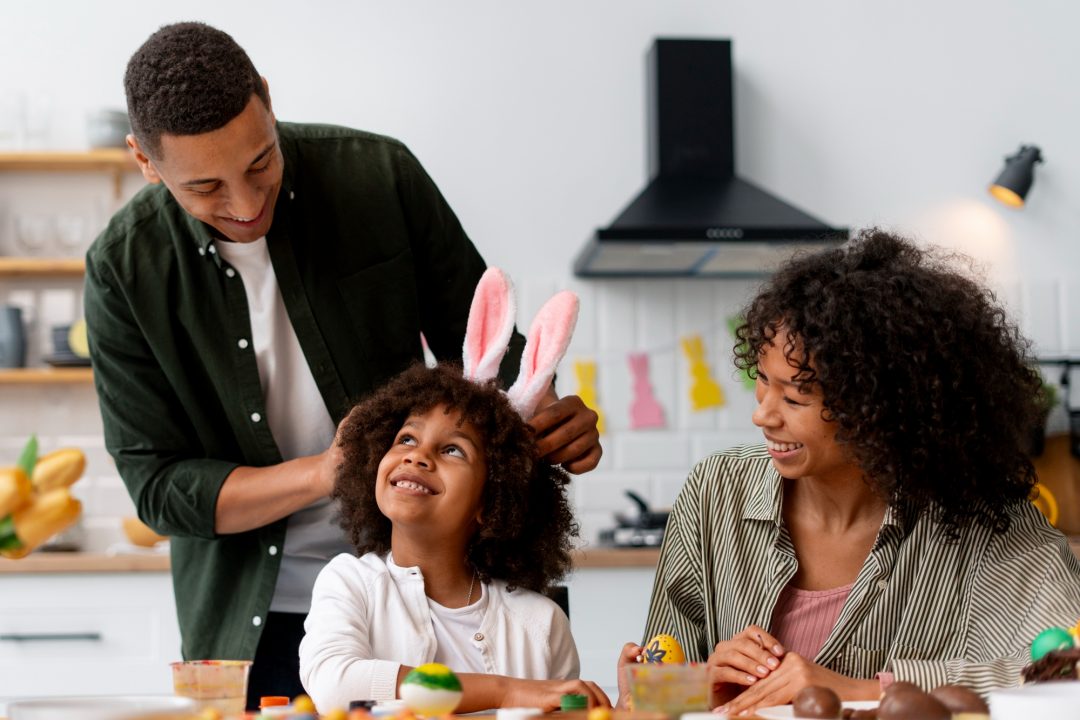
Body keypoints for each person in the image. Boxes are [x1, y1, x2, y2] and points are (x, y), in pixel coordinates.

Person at [84, 22, 600, 708]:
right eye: (206, 186)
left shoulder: (379, 177)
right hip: (256, 629)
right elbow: (161, 489)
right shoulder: (124, 268)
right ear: (145, 163)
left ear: (267, 99)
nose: (245, 205)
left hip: (454, 596)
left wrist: (538, 421)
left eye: (261, 162)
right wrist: (327, 472)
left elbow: (490, 356)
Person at [620, 229, 1080, 715]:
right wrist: (693, 684)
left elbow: (1068, 669)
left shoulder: (986, 527)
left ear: (879, 409)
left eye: (795, 398)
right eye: (762, 384)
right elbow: (647, 697)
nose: (764, 415)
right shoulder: (717, 492)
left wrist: (862, 687)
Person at [300, 362, 610, 713]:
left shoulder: (542, 623)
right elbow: (336, 686)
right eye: (406, 439)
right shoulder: (349, 583)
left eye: (453, 450)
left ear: (491, 500)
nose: (418, 456)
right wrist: (504, 692)